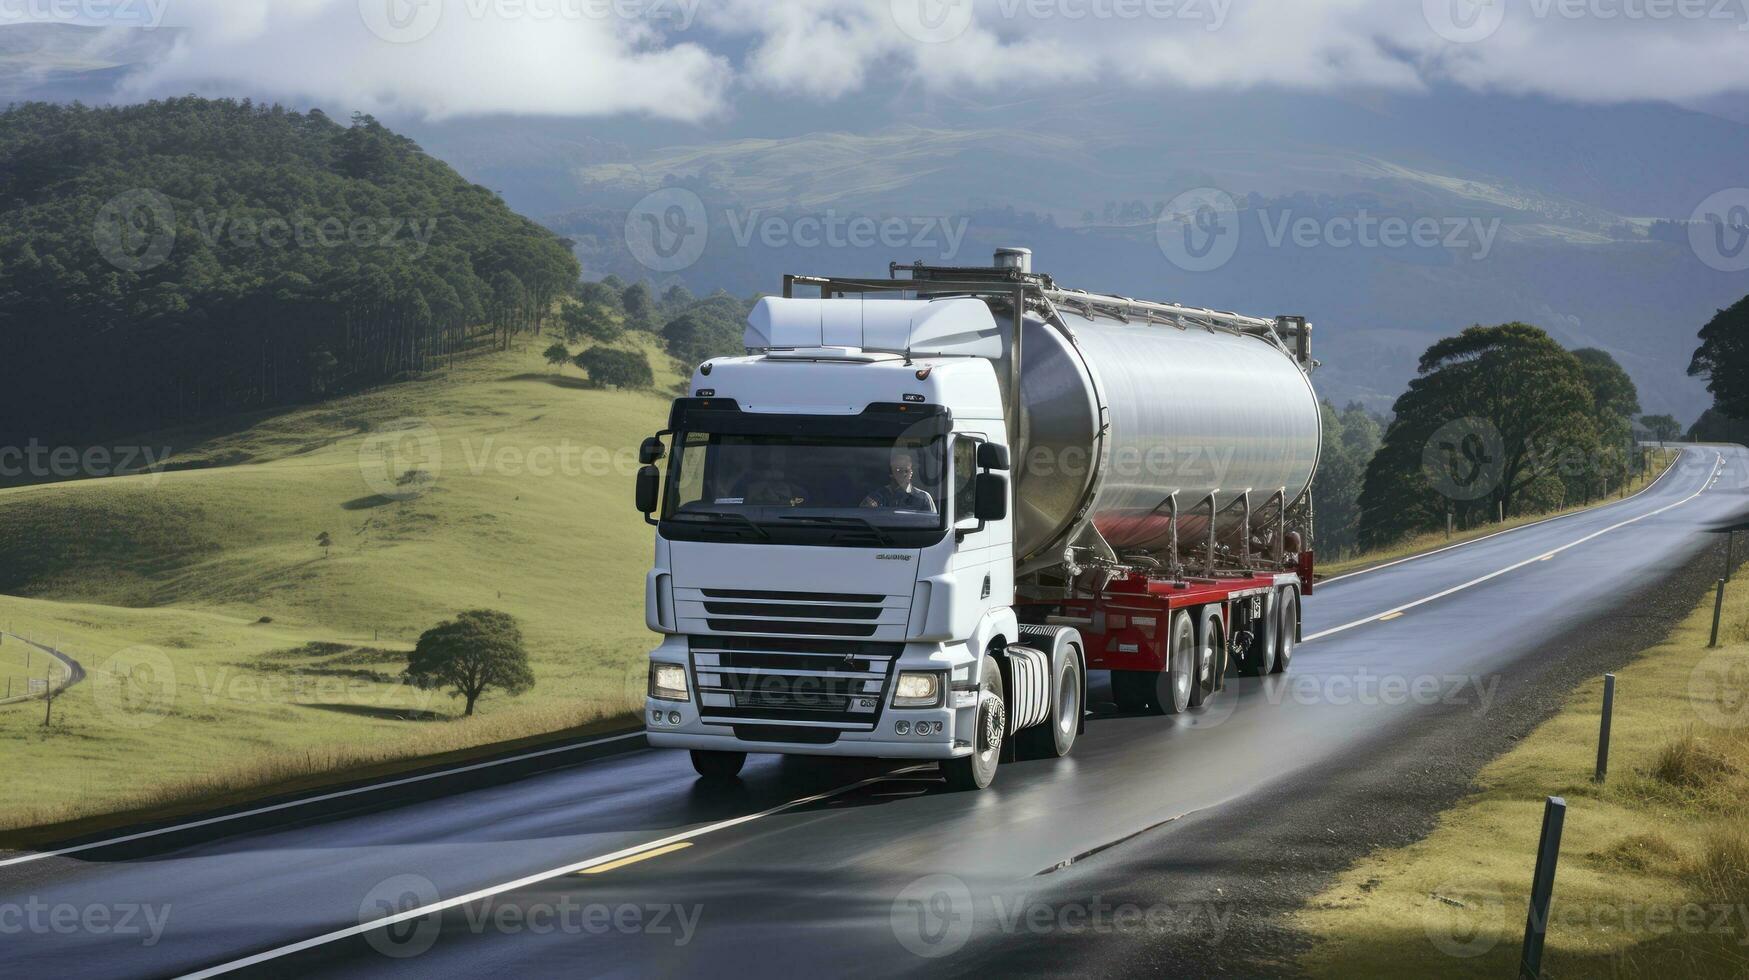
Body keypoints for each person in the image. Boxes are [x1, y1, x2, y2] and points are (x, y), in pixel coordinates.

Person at [862, 450, 936, 512]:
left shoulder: (923, 498)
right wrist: (870, 509)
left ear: (911, 473)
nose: (903, 474)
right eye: (899, 470)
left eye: (907, 470)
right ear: (891, 473)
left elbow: (931, 523)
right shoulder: (877, 496)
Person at [740, 445, 808, 507]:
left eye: (781, 455)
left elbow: (805, 507)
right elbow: (734, 504)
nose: (777, 460)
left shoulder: (799, 492)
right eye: (772, 455)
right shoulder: (748, 488)